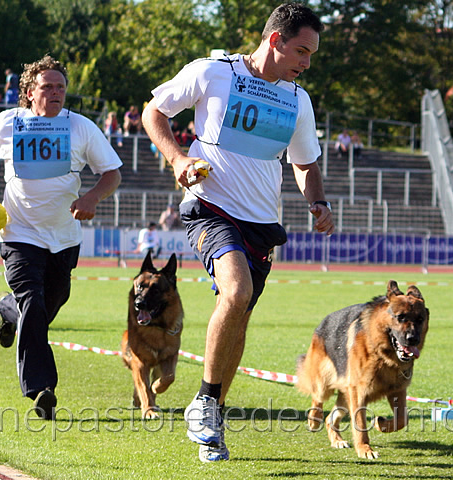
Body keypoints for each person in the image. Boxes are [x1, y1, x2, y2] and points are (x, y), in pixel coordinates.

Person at [141, 2, 334, 463]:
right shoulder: (213, 71)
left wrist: (318, 202)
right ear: (275, 40)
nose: (307, 63)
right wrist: (178, 159)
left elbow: (304, 162)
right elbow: (154, 113)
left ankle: (213, 422)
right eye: (302, 51)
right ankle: (205, 401)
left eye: (311, 55)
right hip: (210, 208)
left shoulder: (298, 100)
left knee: (239, 315)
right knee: (237, 290)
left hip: (262, 224)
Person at [0, 55, 122, 419]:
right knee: (33, 304)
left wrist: (91, 197)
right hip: (18, 233)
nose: (56, 93)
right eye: (47, 87)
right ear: (29, 93)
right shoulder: (8, 123)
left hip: (65, 237)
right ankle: (41, 389)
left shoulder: (81, 127)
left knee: (47, 304)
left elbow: (112, 172)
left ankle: (7, 309)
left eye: (61, 87)